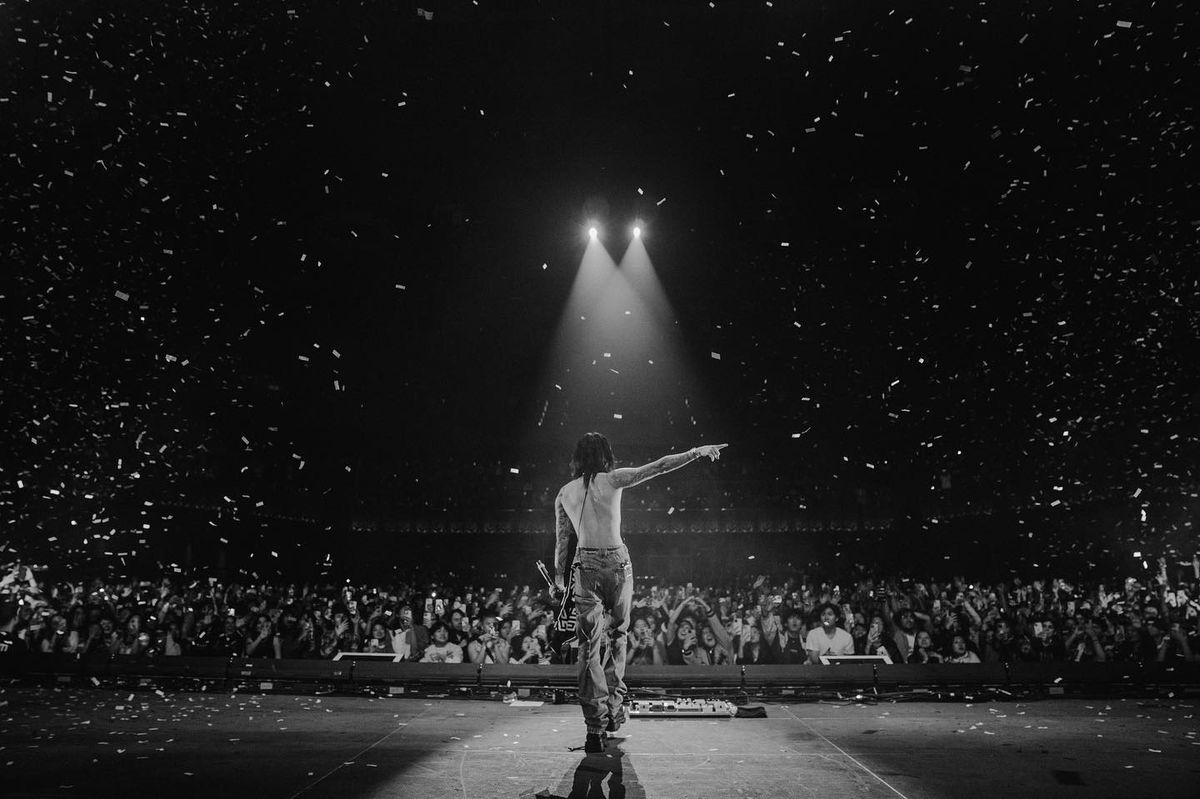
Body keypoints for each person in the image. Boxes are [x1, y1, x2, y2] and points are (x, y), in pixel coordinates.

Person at [553, 432, 726, 753]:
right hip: (617, 562)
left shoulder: (564, 492)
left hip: (585, 566)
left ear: (576, 458)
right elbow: (658, 467)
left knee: (587, 647)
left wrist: (559, 580)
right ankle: (615, 711)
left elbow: (563, 542)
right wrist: (696, 451)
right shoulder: (614, 479)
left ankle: (595, 725)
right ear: (606, 455)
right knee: (618, 635)